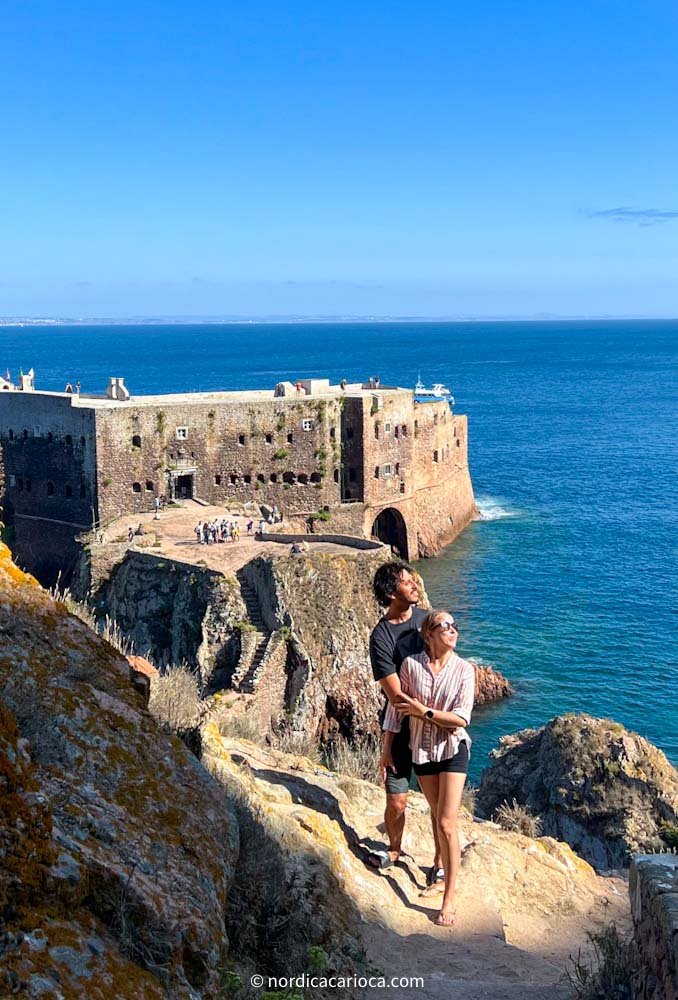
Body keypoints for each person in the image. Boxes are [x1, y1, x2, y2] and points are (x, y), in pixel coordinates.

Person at [383, 609, 474, 927]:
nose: (452, 630)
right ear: (429, 634)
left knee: (447, 822)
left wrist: (425, 712)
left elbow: (461, 719)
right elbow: (396, 712)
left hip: (453, 749)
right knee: (436, 816)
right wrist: (386, 750)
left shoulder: (465, 670)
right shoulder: (411, 666)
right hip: (422, 752)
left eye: (454, 626)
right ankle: (442, 873)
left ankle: (448, 898)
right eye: (444, 626)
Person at [368, 562, 444, 888]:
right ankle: (394, 850)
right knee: (397, 800)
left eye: (413, 579)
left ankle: (439, 864)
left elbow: (447, 662)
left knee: (437, 803)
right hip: (400, 728)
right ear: (390, 594)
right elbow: (395, 695)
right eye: (406, 582)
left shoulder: (425, 620)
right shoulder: (381, 637)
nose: (414, 584)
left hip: (432, 729)